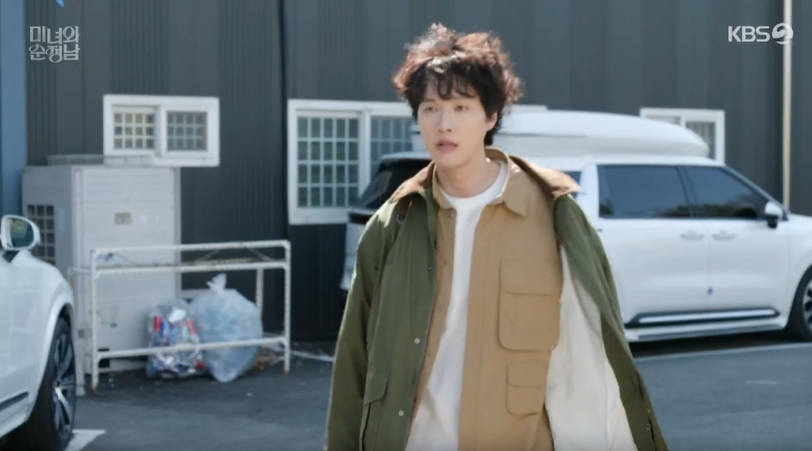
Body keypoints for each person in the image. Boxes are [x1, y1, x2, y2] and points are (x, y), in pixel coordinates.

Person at [324, 23, 668, 451]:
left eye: (461, 107)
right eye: (430, 109)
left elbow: (590, 358)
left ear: (490, 117)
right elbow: (355, 358)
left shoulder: (553, 215)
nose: (444, 123)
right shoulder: (393, 223)